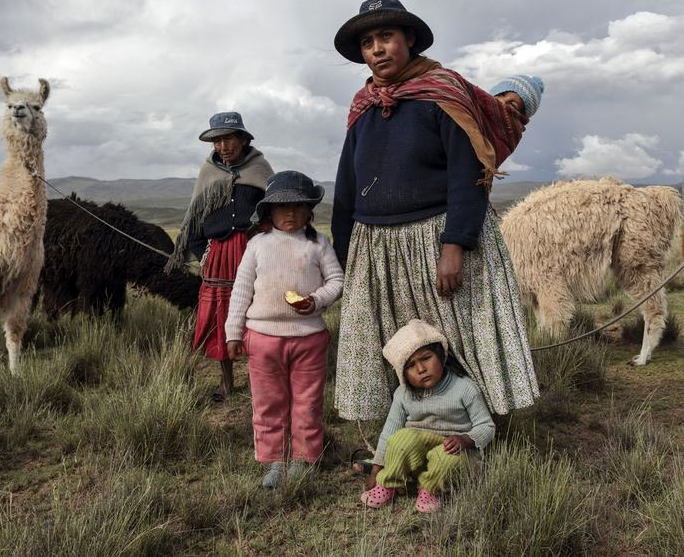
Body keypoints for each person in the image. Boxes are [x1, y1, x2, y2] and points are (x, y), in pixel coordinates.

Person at [331, 0, 545, 422]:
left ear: (409, 39)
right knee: (398, 345)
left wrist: (454, 245)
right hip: (377, 246)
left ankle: (475, 433)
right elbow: (347, 184)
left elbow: (467, 174)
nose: (376, 48)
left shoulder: (441, 93)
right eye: (368, 41)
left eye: (386, 36)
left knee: (457, 340)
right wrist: (343, 253)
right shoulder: (364, 108)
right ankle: (404, 431)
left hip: (436, 237)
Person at [223, 171, 344, 488]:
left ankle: (304, 460)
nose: (290, 213)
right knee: (268, 402)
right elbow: (241, 290)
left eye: (298, 206)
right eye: (282, 207)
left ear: (309, 211)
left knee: (308, 401)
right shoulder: (257, 245)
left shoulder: (318, 244)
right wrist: (233, 333)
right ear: (269, 212)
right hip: (262, 339)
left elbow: (336, 282)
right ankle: (274, 461)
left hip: (309, 338)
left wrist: (316, 301)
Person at [167, 112, 274, 402]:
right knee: (220, 316)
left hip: (252, 249)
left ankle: (261, 380)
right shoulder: (208, 173)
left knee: (259, 312)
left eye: (229, 138)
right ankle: (227, 382)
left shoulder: (260, 168)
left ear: (242, 139)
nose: (223, 146)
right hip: (218, 254)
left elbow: (273, 209)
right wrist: (204, 253)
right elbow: (195, 219)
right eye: (217, 140)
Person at [360, 319, 495, 513]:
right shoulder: (403, 394)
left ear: (441, 355)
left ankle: (430, 489)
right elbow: (388, 433)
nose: (421, 369)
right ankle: (389, 484)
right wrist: (376, 469)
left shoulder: (464, 388)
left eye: (426, 358)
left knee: (447, 459)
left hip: (453, 451)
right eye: (411, 365)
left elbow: (487, 426)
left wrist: (465, 439)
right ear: (403, 373)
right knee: (399, 439)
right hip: (417, 455)